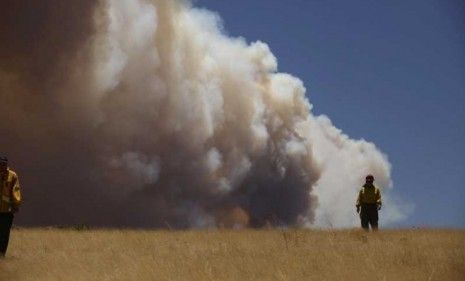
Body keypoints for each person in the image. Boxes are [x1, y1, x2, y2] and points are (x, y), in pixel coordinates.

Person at [0, 156, 21, 257]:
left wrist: (16, 204)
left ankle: (2, 254)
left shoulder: (12, 176)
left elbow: (15, 191)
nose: (2, 166)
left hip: (7, 211)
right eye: (0, 164)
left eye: (3, 163)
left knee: (4, 234)